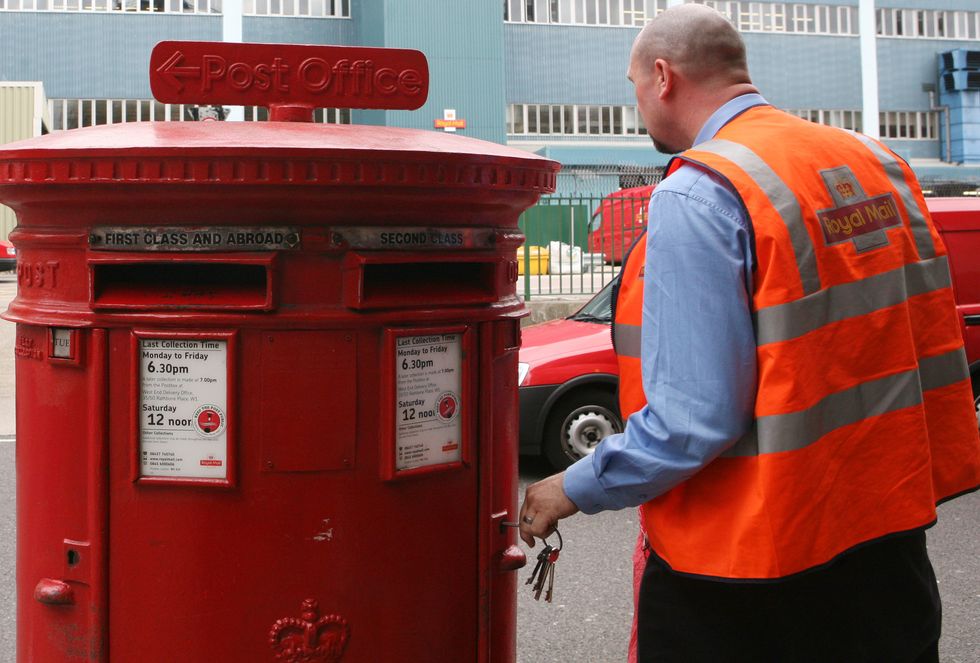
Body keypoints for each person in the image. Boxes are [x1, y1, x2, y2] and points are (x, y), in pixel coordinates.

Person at [517, 5, 980, 662]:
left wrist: (571, 486)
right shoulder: (876, 161)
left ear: (662, 76)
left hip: (752, 573)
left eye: (634, 86)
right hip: (888, 546)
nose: (638, 104)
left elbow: (691, 420)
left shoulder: (701, 192)